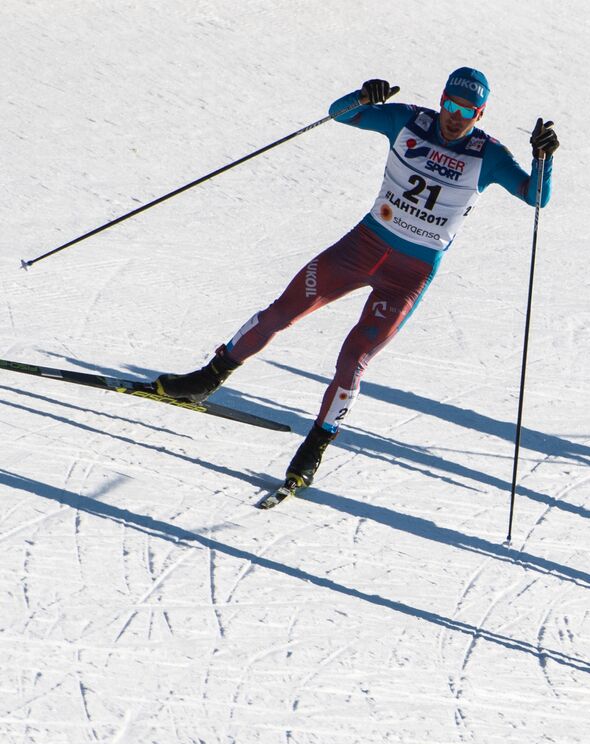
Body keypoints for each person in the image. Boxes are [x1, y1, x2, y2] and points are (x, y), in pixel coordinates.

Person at [155, 69, 559, 489]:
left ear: (481, 113)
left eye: (467, 112)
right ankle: (206, 378)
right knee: (281, 312)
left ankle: (314, 446)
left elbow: (536, 197)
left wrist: (542, 159)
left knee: (354, 359)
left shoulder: (488, 154)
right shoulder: (408, 120)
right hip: (361, 247)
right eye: (450, 105)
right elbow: (339, 114)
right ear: (441, 99)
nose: (455, 117)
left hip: (409, 274)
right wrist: (365, 98)